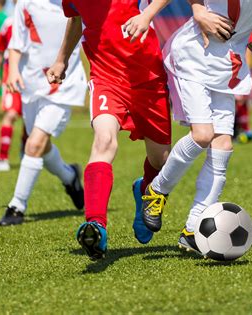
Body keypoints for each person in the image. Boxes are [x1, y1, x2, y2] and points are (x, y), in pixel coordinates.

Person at [140, 0, 252, 253]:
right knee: (203, 135)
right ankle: (156, 191)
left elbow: (247, 9)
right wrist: (197, 10)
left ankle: (193, 230)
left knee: (223, 145)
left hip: (226, 66)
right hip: (193, 58)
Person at [47, 0, 173, 260]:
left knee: (161, 160)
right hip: (106, 77)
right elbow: (75, 20)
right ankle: (96, 226)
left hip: (148, 77)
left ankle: (145, 191)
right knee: (104, 142)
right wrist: (61, 60)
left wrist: (147, 14)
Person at [0, 0, 87, 226]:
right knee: (39, 146)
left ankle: (17, 206)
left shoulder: (78, 3)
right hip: (32, 85)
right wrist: (13, 71)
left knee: (34, 144)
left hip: (63, 85)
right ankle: (70, 177)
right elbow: (16, 42)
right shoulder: (25, 3)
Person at [0, 14, 27, 172]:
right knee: (11, 114)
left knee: (29, 118)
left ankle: (25, 150)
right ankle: (2, 156)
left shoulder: (34, 17)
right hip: (11, 74)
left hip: (30, 75)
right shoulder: (8, 23)